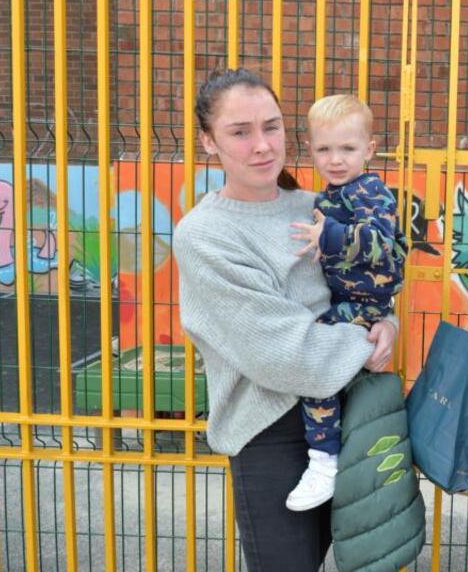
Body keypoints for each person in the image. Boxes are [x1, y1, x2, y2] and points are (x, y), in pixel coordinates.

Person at [174, 68, 397, 571]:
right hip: (270, 432)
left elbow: (369, 281)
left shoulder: (318, 206)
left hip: (349, 413)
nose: (262, 145)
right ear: (208, 142)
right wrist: (367, 340)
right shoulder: (205, 236)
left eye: (271, 127)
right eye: (240, 132)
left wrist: (387, 324)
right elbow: (283, 354)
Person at [286, 94, 409, 511]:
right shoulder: (335, 193)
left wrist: (330, 237)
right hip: (349, 301)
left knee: (314, 357)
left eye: (347, 149)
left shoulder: (369, 190)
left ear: (369, 151)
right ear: (311, 150)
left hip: (363, 305)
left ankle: (324, 459)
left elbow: (380, 244)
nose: (335, 159)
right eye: (324, 149)